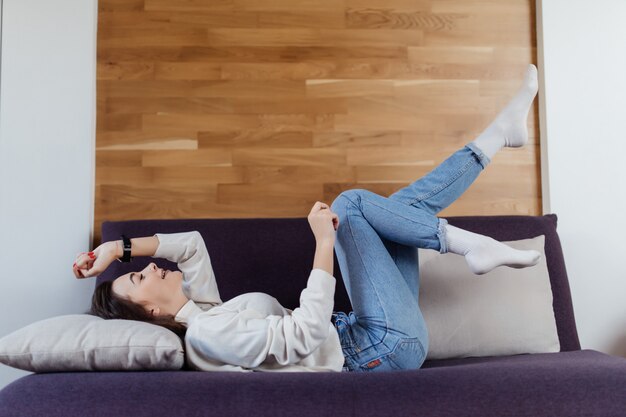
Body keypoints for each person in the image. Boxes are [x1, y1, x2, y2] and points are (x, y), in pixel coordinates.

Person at [74, 64, 542, 373]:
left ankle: (498, 137)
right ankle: (465, 243)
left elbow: (193, 243)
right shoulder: (210, 332)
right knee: (350, 205)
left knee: (401, 211)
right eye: (137, 278)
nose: (149, 269)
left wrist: (118, 249)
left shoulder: (208, 312)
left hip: (370, 334)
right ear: (152, 312)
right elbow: (306, 334)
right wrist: (322, 244)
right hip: (379, 351)